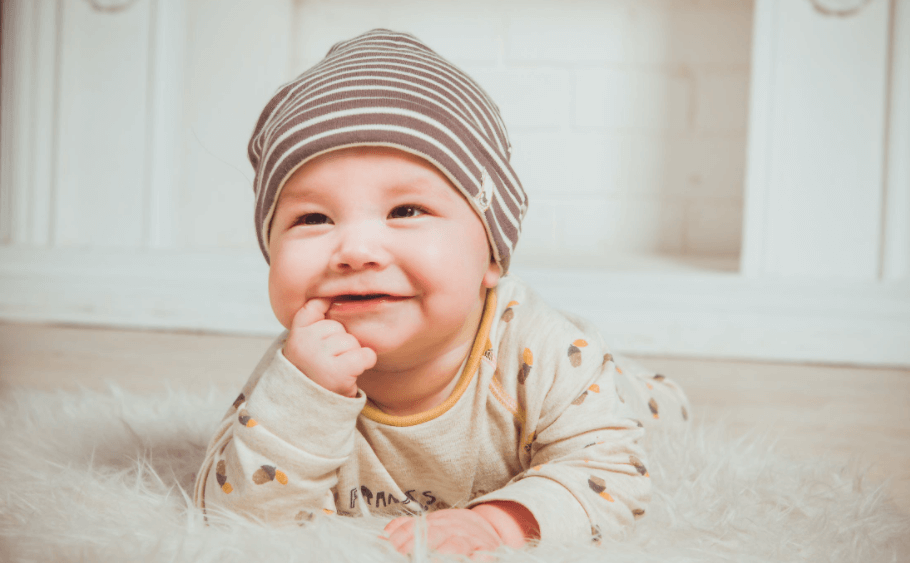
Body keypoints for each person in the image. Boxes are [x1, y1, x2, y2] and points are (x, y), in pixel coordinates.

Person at [193, 28, 690, 557]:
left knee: (636, 410)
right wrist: (303, 402)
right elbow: (233, 514)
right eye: (313, 217)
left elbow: (611, 476)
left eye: (405, 211)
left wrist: (498, 524)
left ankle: (641, 385)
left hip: (586, 383)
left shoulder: (543, 350)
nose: (356, 250)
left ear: (492, 255)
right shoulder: (298, 372)